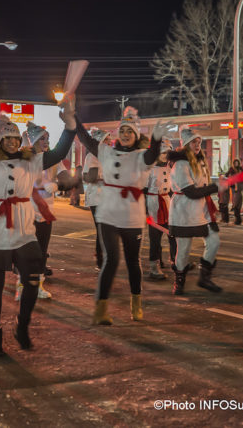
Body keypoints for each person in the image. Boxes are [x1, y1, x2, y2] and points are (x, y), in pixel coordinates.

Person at [0, 102, 77, 356]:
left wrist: (70, 125)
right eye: (7, 138)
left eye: (15, 138)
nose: (12, 142)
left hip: (22, 230)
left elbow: (60, 150)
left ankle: (23, 325)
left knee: (32, 278)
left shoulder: (30, 162)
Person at [75, 106, 168, 325]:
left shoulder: (141, 157)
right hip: (108, 214)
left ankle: (136, 303)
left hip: (131, 216)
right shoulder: (106, 151)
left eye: (130, 131)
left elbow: (152, 154)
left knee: (133, 262)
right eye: (123, 130)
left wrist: (155, 138)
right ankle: (101, 308)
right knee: (112, 260)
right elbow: (86, 139)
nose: (125, 135)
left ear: (136, 135)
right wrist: (73, 118)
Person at [13, 121, 73, 300]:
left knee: (41, 250)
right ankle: (21, 285)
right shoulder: (23, 159)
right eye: (42, 139)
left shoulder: (54, 159)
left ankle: (38, 285)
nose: (46, 142)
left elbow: (67, 178)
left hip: (46, 211)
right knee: (25, 251)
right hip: (27, 210)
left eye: (47, 138)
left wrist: (58, 184)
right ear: (33, 142)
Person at [168, 128, 224, 295]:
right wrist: (216, 187)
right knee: (184, 250)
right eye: (194, 142)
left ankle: (204, 278)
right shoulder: (180, 164)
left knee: (213, 242)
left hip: (202, 210)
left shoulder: (199, 161)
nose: (198, 144)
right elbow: (191, 192)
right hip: (184, 211)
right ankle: (179, 281)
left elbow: (202, 187)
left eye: (199, 141)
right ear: (186, 144)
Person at [145, 139, 177, 280]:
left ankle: (176, 262)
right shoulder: (149, 169)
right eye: (163, 152)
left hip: (168, 204)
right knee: (155, 238)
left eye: (167, 153)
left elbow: (172, 189)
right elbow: (143, 190)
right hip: (154, 205)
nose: (165, 155)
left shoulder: (171, 168)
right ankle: (154, 266)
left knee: (173, 235)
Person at [82, 130, 111, 270]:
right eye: (106, 140)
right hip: (97, 197)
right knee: (102, 229)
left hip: (107, 197)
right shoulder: (92, 157)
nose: (109, 142)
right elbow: (89, 177)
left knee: (106, 229)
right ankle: (101, 260)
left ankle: (103, 257)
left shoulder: (108, 156)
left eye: (109, 140)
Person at [226, 159, 243, 225]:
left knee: (238, 202)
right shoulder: (232, 169)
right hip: (234, 187)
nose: (236, 164)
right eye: (235, 163)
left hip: (239, 186)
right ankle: (237, 219)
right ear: (233, 163)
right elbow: (227, 174)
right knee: (236, 201)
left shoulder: (240, 168)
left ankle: (238, 219)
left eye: (237, 163)